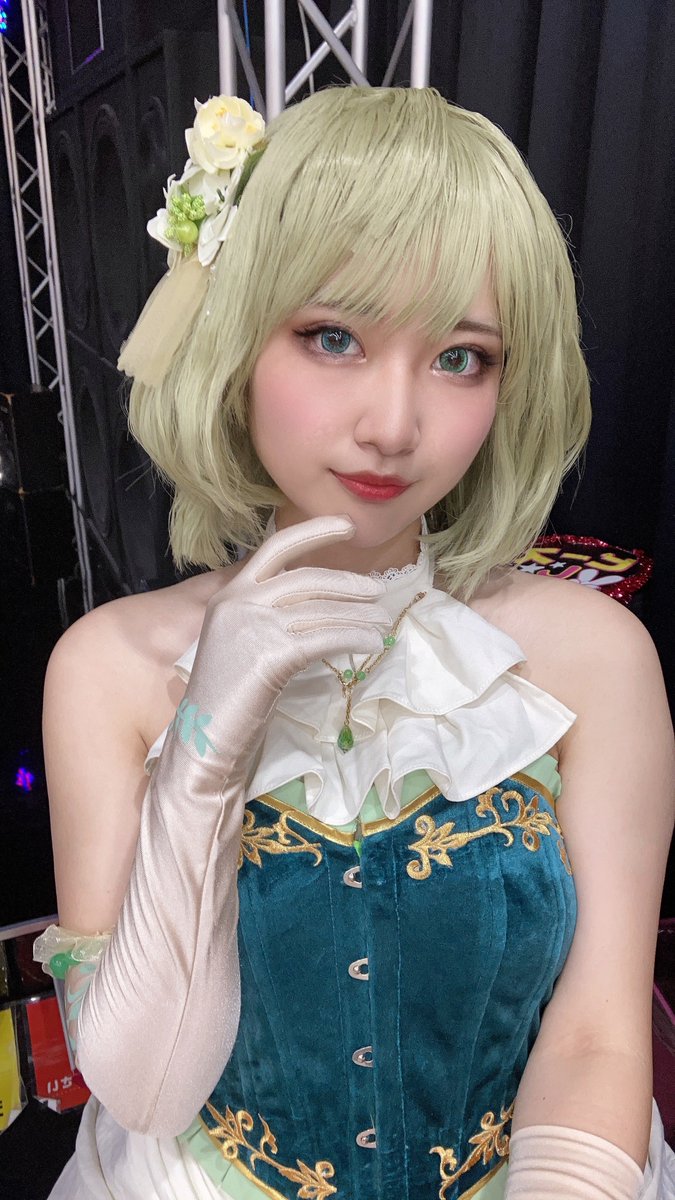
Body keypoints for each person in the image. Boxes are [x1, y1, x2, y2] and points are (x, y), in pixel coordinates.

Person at [34, 86, 675, 1200]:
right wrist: (201, 756)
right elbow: (143, 1091)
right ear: (237, 334)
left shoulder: (594, 656)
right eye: (332, 338)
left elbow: (598, 1038)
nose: (393, 424)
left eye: (462, 358)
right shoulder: (108, 669)